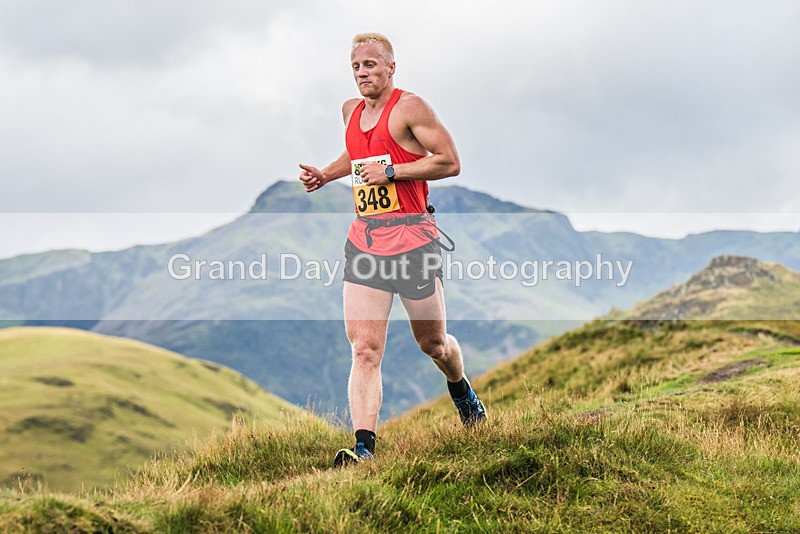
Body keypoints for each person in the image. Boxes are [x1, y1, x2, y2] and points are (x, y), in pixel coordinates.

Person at [298, 33, 485, 467]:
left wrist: (394, 172)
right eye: (356, 67)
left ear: (390, 67)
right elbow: (359, 153)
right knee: (364, 348)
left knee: (434, 344)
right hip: (365, 242)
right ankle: (364, 447)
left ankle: (463, 393)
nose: (362, 73)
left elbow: (449, 161)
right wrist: (326, 174)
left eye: (370, 65)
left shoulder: (411, 108)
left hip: (414, 242)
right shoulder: (350, 111)